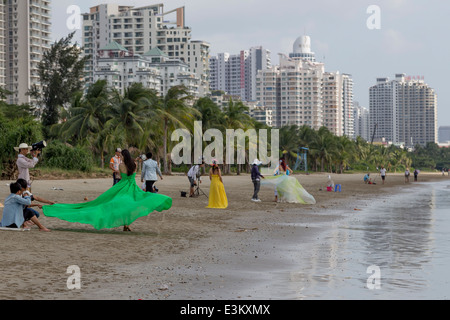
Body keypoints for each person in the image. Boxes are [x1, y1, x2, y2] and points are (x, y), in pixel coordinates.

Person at [42, 149, 172, 232]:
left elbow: (121, 176)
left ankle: (126, 225)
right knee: (131, 204)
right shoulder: (135, 164)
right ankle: (126, 225)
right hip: (132, 188)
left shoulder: (121, 165)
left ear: (123, 156)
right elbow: (132, 176)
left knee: (103, 203)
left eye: (121, 155)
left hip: (122, 186)